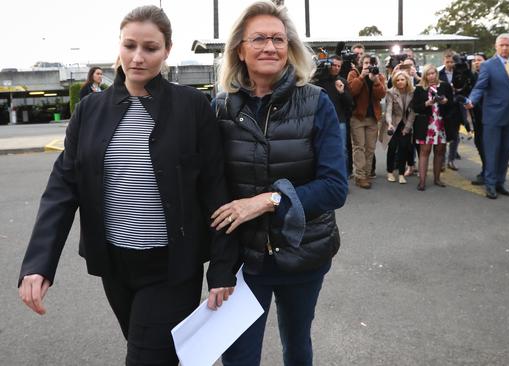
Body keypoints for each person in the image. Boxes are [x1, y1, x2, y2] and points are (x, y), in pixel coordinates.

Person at [17, 5, 238, 365]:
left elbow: (215, 187)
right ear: (118, 45)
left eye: (150, 48)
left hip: (172, 268)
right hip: (115, 267)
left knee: (145, 358)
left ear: (167, 50)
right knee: (158, 353)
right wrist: (38, 264)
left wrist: (222, 268)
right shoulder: (90, 111)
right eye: (129, 45)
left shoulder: (192, 106)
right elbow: (62, 187)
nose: (138, 57)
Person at [210, 1, 348, 365]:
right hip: (244, 259)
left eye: (278, 39)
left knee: (297, 343)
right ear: (239, 48)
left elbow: (335, 187)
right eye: (258, 39)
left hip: (304, 253)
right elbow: (211, 186)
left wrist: (269, 200)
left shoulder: (317, 103)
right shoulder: (221, 108)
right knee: (238, 355)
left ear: (290, 48)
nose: (270, 47)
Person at [467, 34, 509, 199]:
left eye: (507, 45)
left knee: (506, 151)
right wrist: (471, 100)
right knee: (492, 151)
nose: (504, 48)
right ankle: (490, 184)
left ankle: (500, 182)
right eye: (501, 45)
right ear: (496, 47)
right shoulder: (488, 65)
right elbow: (480, 87)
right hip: (493, 115)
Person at [348, 53, 387, 189]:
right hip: (357, 117)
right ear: (361, 63)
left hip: (372, 118)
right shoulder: (354, 73)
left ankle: (366, 173)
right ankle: (360, 176)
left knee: (370, 148)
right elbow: (351, 91)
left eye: (371, 63)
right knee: (359, 147)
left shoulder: (379, 76)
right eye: (366, 63)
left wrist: (375, 81)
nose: (368, 66)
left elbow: (381, 95)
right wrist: (362, 77)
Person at [313, 55, 354, 177]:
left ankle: (343, 177)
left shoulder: (342, 81)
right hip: (320, 119)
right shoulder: (318, 81)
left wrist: (341, 92)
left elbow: (350, 104)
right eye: (333, 65)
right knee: (319, 148)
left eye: (338, 66)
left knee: (341, 150)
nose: (335, 68)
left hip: (339, 120)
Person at [412, 64, 452, 190]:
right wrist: (426, 103)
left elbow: (452, 103)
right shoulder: (419, 88)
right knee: (425, 151)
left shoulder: (444, 86)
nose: (431, 76)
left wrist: (446, 102)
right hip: (426, 124)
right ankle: (422, 181)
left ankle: (437, 179)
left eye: (433, 73)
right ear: (424, 75)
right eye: (428, 74)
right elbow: (415, 107)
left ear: (436, 73)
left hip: (441, 123)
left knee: (440, 151)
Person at [383, 70, 415, 184]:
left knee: (404, 147)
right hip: (393, 122)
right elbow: (388, 110)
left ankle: (401, 174)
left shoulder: (412, 92)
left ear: (407, 80)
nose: (400, 82)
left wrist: (407, 127)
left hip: (406, 122)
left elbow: (412, 112)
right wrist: (390, 124)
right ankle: (390, 172)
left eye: (402, 79)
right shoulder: (391, 92)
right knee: (392, 147)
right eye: (397, 80)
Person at [469, 52, 487, 185]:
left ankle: (489, 171)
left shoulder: (489, 75)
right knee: (479, 143)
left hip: (489, 115)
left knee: (488, 145)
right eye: (475, 60)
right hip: (476, 116)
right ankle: (485, 169)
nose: (476, 62)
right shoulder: (471, 77)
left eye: (479, 60)